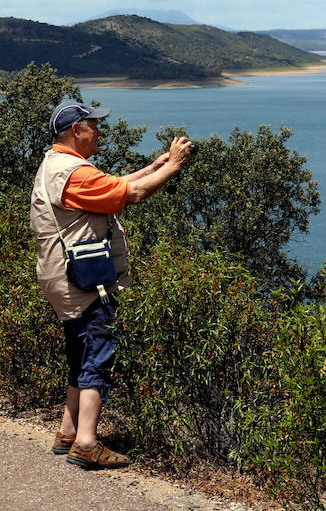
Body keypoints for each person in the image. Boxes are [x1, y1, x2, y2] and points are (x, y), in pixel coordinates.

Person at [30, 99, 192, 470]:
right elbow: (131, 194)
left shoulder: (58, 165)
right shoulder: (73, 173)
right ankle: (87, 443)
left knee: (80, 351)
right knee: (99, 350)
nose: (100, 131)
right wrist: (175, 166)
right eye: (94, 126)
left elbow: (112, 186)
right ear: (76, 131)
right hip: (83, 282)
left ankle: (68, 432)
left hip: (61, 279)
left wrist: (155, 167)